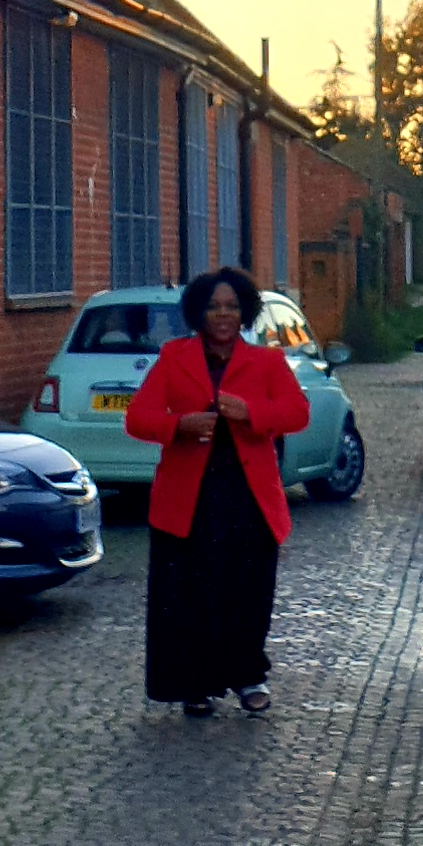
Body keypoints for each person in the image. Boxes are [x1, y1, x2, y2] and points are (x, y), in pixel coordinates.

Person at [123, 264, 309, 718]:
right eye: (213, 307)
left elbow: (296, 412)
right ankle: (195, 683)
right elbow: (137, 418)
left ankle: (248, 676)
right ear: (198, 313)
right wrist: (179, 425)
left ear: (244, 312)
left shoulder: (266, 361)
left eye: (231, 307)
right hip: (188, 499)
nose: (223, 315)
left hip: (248, 496)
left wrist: (251, 413)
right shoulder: (174, 357)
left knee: (249, 590)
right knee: (190, 593)